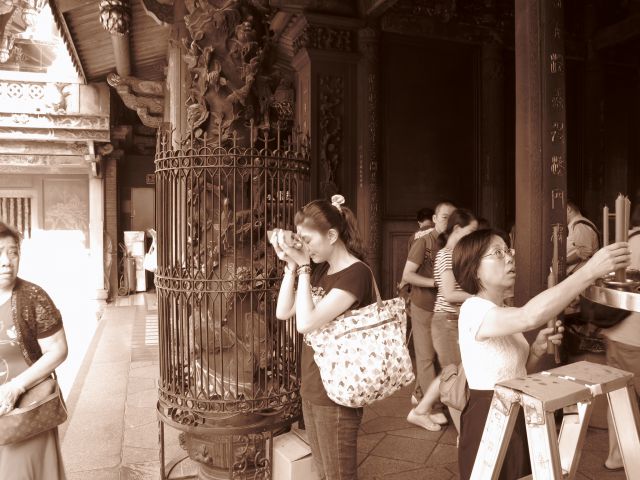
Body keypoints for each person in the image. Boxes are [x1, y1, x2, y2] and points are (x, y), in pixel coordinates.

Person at [452, 228, 629, 480]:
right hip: (489, 416)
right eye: (497, 253)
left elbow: (516, 373)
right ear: (474, 270)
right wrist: (589, 271)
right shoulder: (473, 309)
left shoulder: (502, 309)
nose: (509, 257)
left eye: (508, 250)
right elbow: (529, 316)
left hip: (517, 412)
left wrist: (536, 350)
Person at [270, 194, 374, 480]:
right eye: (299, 240)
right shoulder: (320, 271)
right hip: (313, 385)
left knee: (339, 475)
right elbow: (283, 312)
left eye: (308, 240)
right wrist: (291, 267)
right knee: (324, 472)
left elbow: (305, 323)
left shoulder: (356, 274)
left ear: (331, 235)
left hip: (338, 394)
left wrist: (304, 267)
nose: (303, 247)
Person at [0, 221, 68, 479]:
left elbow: (58, 349)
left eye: (13, 252)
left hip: (27, 411)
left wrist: (15, 387)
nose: (6, 262)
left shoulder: (32, 296)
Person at [407, 208, 477, 432]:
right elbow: (449, 294)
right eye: (470, 232)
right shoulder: (447, 255)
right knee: (452, 374)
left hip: (453, 320)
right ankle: (426, 412)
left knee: (454, 371)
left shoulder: (455, 254)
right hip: (446, 320)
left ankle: (423, 410)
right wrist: (480, 296)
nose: (472, 237)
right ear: (457, 229)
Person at [402, 201, 455, 419]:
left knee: (440, 356)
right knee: (425, 357)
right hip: (423, 305)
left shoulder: (453, 243)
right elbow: (407, 275)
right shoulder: (423, 242)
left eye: (452, 218)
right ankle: (433, 409)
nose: (448, 222)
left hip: (444, 307)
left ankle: (420, 393)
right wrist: (436, 283)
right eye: (444, 217)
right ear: (434, 219)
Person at [602, 206, 640, 472]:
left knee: (620, 394)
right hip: (633, 335)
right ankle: (625, 456)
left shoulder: (627, 240)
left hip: (618, 331)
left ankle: (617, 454)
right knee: (625, 395)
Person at [566, 200, 600, 275]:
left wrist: (564, 261)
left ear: (568, 209)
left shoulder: (579, 225)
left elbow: (584, 251)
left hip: (583, 274)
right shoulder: (576, 224)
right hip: (580, 273)